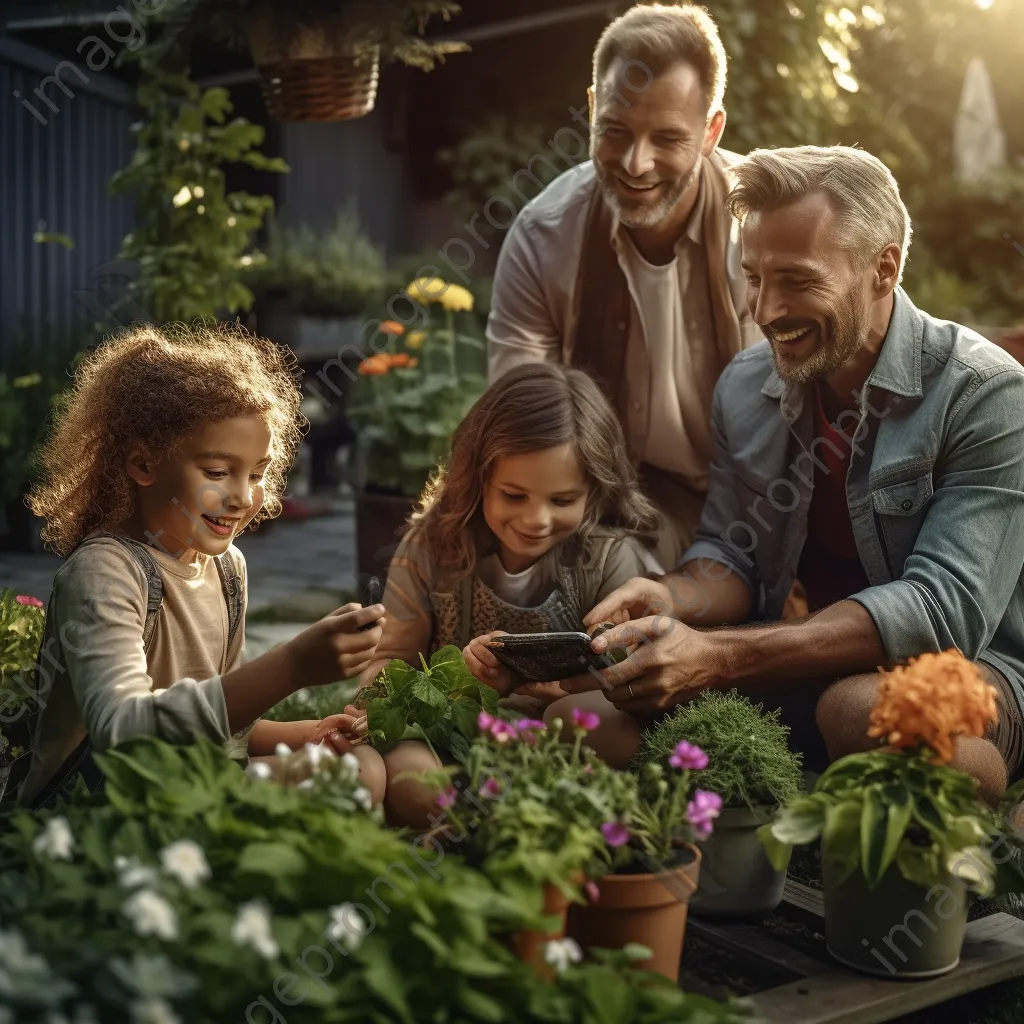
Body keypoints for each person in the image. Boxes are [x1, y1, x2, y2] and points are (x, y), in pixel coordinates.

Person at [551, 145, 1024, 802]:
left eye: (797, 281)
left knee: (855, 712)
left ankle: (982, 811)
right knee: (586, 722)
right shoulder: (746, 387)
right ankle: (790, 812)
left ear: (883, 269)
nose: (764, 310)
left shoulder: (987, 396)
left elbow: (940, 612)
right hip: (796, 665)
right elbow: (730, 554)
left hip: (971, 677)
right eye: (753, 277)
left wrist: (719, 658)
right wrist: (671, 599)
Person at [19, 323, 387, 808]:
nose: (241, 496)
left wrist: (309, 733)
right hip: (97, 807)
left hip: (185, 781)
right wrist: (291, 666)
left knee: (357, 768)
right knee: (346, 784)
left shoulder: (227, 570)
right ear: (143, 465)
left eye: (257, 473)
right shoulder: (106, 573)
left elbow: (218, 724)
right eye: (217, 472)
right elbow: (124, 733)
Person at [487, 3, 762, 571]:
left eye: (667, 137)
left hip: (756, 499)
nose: (637, 163)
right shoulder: (544, 238)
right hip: (611, 497)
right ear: (591, 109)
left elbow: (808, 416)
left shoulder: (763, 231)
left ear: (712, 131)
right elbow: (523, 420)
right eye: (615, 130)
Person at [359, 363, 661, 825]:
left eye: (562, 501)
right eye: (514, 496)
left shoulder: (608, 559)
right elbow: (386, 665)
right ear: (478, 479)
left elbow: (631, 678)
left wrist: (545, 688)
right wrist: (464, 676)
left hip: (556, 734)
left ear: (594, 491)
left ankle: (526, 813)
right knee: (407, 774)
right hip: (452, 732)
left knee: (605, 724)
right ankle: (468, 827)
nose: (536, 519)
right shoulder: (430, 547)